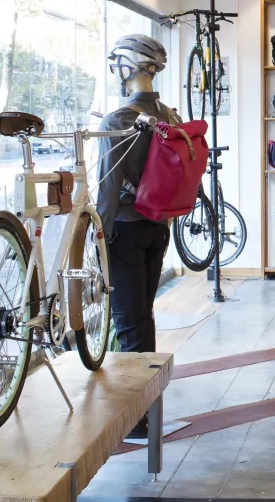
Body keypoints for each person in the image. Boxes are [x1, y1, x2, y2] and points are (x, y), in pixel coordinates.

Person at [96, 34, 175, 439]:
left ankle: (138, 417)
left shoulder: (117, 120)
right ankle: (149, 407)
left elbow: (108, 188)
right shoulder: (171, 116)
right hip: (158, 227)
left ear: (128, 68)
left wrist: (100, 233)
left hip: (125, 229)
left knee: (130, 323)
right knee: (143, 316)